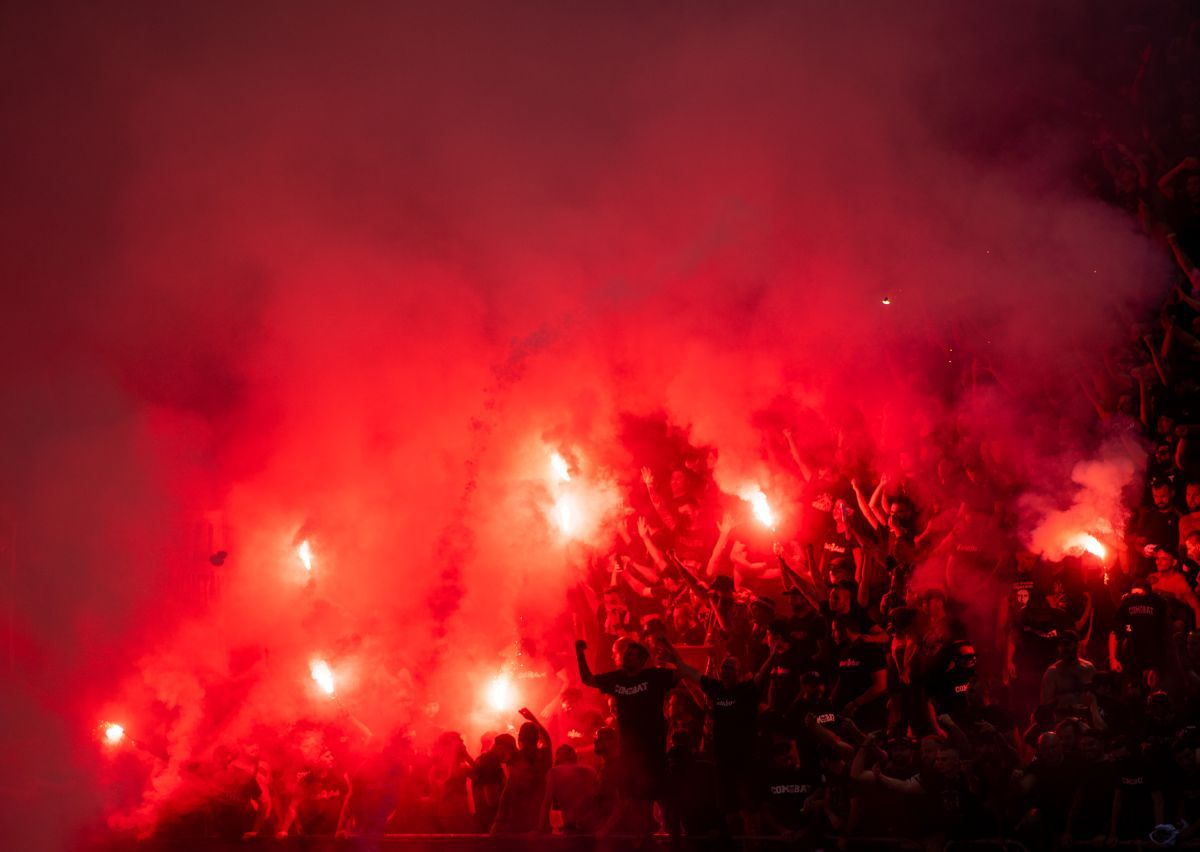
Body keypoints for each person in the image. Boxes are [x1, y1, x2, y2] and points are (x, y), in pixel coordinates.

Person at [576, 638, 679, 837]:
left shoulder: (654, 676)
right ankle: (645, 838)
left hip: (653, 747)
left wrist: (672, 654)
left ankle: (674, 839)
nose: (626, 656)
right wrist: (580, 654)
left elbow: (679, 675)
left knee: (662, 795)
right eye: (625, 654)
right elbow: (588, 679)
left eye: (631, 654)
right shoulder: (617, 678)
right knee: (636, 797)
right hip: (630, 749)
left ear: (642, 659)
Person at [539, 744, 600, 834]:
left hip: (572, 825)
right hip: (594, 825)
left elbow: (546, 803)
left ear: (558, 758)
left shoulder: (555, 772)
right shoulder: (591, 770)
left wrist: (540, 829)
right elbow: (598, 799)